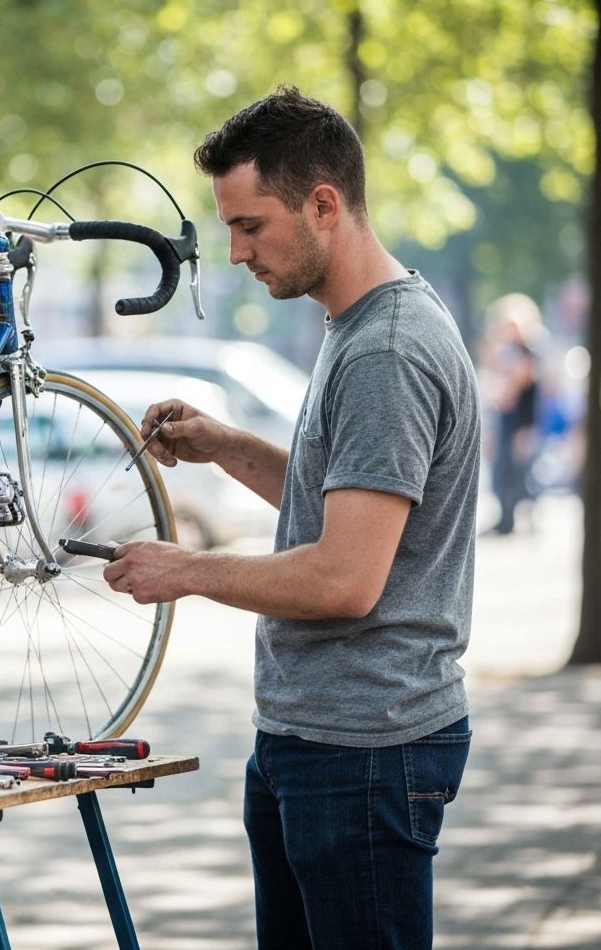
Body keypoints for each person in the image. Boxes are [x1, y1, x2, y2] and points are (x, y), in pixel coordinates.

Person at [103, 86, 481, 950]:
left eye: (250, 226)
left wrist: (184, 572)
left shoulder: (387, 350)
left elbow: (345, 578)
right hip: (309, 738)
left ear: (323, 204)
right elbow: (346, 507)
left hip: (364, 752)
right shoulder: (357, 326)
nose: (235, 253)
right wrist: (228, 447)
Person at [480, 293, 542, 535]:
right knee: (503, 473)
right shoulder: (510, 351)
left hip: (521, 423)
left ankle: (519, 520)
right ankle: (505, 520)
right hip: (508, 421)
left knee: (520, 475)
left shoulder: (529, 351)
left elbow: (518, 386)